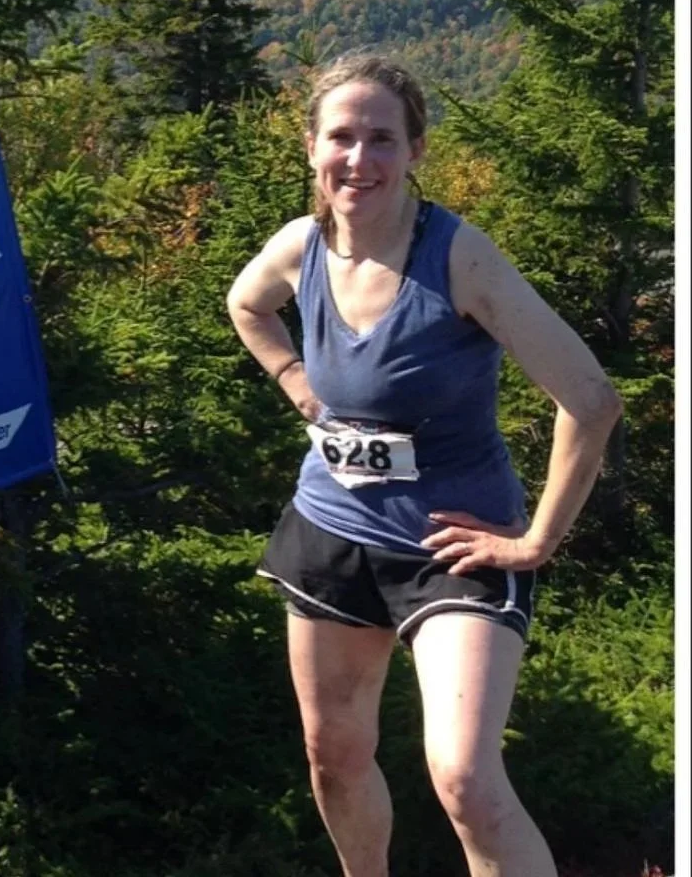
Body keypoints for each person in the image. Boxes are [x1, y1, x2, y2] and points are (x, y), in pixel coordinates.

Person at [225, 52, 622, 877]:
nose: (358, 159)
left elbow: (589, 397)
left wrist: (536, 540)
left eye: (382, 139)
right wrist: (299, 385)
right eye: (341, 137)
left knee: (466, 780)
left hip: (453, 546)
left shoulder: (458, 259)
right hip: (330, 534)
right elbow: (245, 303)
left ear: (415, 151)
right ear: (309, 148)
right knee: (332, 755)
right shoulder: (301, 247)